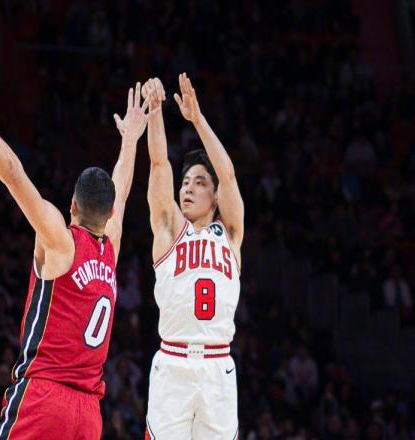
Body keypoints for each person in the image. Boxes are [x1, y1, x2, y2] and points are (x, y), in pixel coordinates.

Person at [0, 44, 154, 439]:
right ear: (109, 213)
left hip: (44, 397)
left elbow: (13, 174)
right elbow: (122, 190)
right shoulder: (111, 245)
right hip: (88, 415)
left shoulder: (61, 241)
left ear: (71, 205)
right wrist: (130, 139)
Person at [142, 74, 244, 439]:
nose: (187, 188)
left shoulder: (230, 233)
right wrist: (156, 112)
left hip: (218, 366)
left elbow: (228, 175)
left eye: (199, 182)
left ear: (215, 197)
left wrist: (197, 120)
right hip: (173, 363)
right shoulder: (170, 229)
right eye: (185, 182)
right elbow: (159, 165)